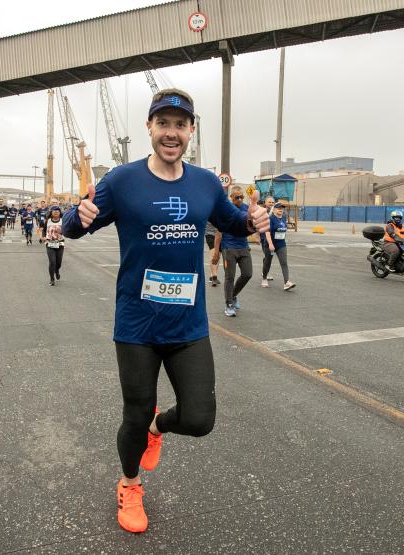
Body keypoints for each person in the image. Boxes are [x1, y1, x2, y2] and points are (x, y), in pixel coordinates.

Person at [62, 88, 269, 533]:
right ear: (150, 129)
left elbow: (233, 223)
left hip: (187, 324)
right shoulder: (122, 180)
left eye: (180, 124)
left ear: (190, 130)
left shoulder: (205, 183)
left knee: (198, 419)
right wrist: (74, 218)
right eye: (163, 124)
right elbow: (77, 224)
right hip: (137, 323)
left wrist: (253, 221)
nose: (171, 133)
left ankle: (159, 428)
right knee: (133, 413)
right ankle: (130, 484)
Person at [212, 184, 254, 317]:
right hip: (228, 248)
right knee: (229, 277)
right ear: (231, 197)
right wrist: (216, 252)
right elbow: (218, 233)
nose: (240, 199)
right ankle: (229, 304)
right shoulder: (225, 211)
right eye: (237, 197)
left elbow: (251, 227)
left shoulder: (247, 209)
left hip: (243, 247)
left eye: (242, 197)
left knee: (247, 274)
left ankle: (233, 295)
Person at [261, 202, 295, 290]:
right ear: (274, 209)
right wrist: (271, 244)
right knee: (268, 262)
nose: (281, 209)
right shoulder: (270, 219)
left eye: (282, 208)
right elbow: (267, 232)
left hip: (281, 244)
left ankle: (286, 282)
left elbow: (283, 229)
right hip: (270, 245)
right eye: (279, 208)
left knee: (284, 262)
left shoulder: (283, 217)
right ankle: (264, 278)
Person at [45, 205, 64, 285]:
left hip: (60, 243)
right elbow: (43, 229)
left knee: (58, 262)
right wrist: (42, 237)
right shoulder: (48, 220)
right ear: (51, 212)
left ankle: (57, 270)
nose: (56, 211)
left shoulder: (63, 220)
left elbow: (67, 230)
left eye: (57, 210)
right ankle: (52, 279)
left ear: (60, 212)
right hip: (50, 243)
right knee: (52, 262)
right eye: (54, 210)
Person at [258, 195, 275, 282]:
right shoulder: (262, 212)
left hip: (273, 239)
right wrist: (257, 237)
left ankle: (265, 272)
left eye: (272, 202)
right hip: (264, 238)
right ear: (265, 203)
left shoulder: (275, 212)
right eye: (269, 202)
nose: (271, 204)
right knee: (268, 256)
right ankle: (265, 274)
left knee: (268, 257)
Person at [204, 219, 221, 287]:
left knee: (218, 253)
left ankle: (212, 275)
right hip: (210, 233)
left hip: (220, 234)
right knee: (213, 251)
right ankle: (214, 276)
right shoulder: (207, 208)